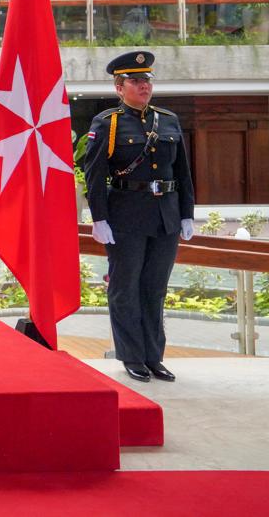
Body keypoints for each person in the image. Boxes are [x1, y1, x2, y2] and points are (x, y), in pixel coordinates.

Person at [82, 50, 195, 383]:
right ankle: (132, 357)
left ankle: (153, 357)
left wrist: (187, 213)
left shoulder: (169, 120)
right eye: (135, 80)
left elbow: (183, 172)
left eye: (146, 79)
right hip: (126, 215)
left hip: (166, 217)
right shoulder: (108, 122)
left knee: (155, 289)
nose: (143, 86)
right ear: (120, 87)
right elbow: (94, 172)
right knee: (125, 288)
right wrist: (99, 218)